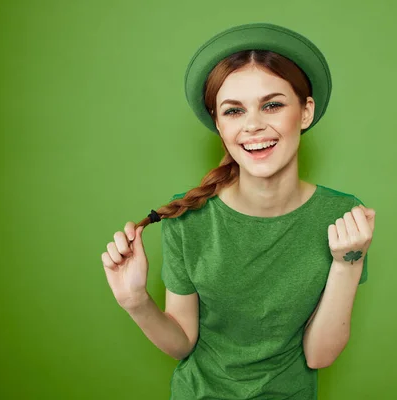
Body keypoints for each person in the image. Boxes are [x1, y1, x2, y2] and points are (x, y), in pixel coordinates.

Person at [101, 22, 376, 400]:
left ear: (306, 111)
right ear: (218, 123)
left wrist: (348, 263)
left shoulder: (343, 217)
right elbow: (182, 343)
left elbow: (319, 355)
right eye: (233, 111)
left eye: (273, 105)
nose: (253, 126)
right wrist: (135, 301)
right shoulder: (188, 220)